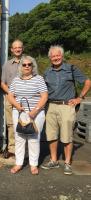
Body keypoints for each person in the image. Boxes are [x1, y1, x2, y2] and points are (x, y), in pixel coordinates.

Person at [41, 45, 91, 175]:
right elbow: (42, 90)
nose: (56, 58)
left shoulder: (71, 69)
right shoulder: (47, 72)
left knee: (66, 135)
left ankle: (67, 163)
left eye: (58, 55)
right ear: (50, 58)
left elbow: (87, 81)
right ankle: (54, 160)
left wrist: (80, 98)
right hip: (50, 106)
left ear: (62, 56)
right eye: (53, 56)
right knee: (51, 135)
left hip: (67, 106)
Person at [7, 56, 48, 175]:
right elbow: (10, 96)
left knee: (34, 138)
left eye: (29, 64)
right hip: (19, 112)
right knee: (19, 137)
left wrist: (36, 110)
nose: (27, 67)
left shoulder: (39, 79)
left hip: (36, 113)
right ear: (21, 67)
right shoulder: (16, 80)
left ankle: (33, 164)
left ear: (33, 66)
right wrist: (17, 106)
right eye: (24, 65)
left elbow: (44, 96)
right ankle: (18, 163)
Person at [0, 39, 38, 159]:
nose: (17, 49)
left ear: (22, 48)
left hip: (26, 98)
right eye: (15, 47)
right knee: (11, 124)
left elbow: (36, 79)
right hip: (10, 98)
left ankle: (25, 150)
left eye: (19, 47)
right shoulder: (7, 64)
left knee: (27, 123)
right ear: (11, 49)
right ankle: (12, 149)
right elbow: (3, 83)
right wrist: (11, 94)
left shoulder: (30, 61)